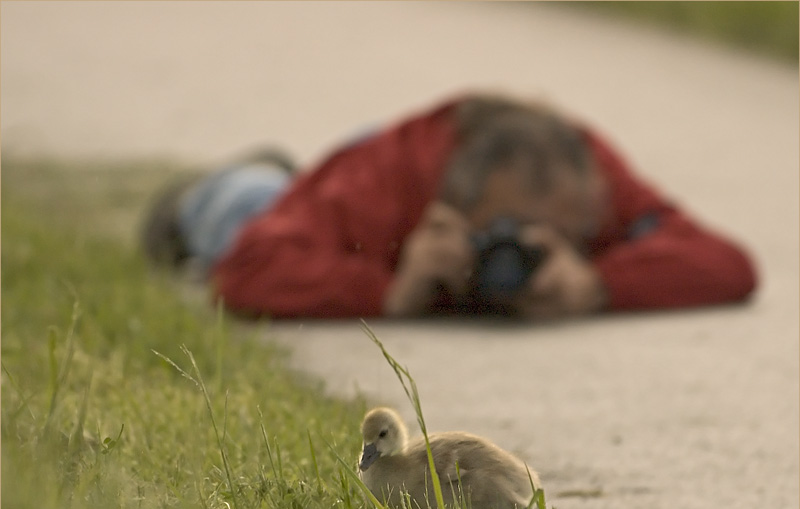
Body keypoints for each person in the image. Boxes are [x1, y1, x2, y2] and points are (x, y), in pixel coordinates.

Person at [141, 93, 758, 320]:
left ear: (594, 206)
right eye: (506, 232)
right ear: (449, 204)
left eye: (563, 239)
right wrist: (390, 292)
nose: (529, 253)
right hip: (336, 199)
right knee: (245, 207)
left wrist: (598, 281)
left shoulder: (590, 171)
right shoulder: (387, 177)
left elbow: (726, 262)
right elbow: (244, 273)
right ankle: (215, 191)